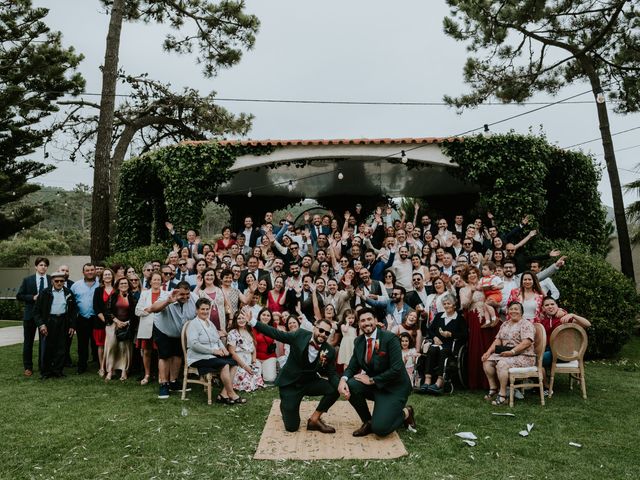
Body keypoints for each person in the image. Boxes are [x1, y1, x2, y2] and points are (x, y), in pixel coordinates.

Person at [245, 307, 341, 433]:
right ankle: (286, 405)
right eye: (321, 330)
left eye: (327, 333)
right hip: (291, 383)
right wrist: (253, 321)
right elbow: (277, 334)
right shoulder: (300, 335)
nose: (323, 334)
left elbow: (331, 373)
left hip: (309, 382)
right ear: (314, 327)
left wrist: (341, 385)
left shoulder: (329, 350)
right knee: (292, 427)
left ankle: (314, 420)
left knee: (334, 389)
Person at [338, 307, 415, 437]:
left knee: (380, 429)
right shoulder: (359, 341)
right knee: (351, 384)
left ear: (376, 320)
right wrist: (342, 380)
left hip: (394, 388)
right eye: (363, 320)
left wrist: (372, 380)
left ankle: (406, 412)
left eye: (369, 319)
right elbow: (352, 366)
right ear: (359, 324)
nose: (366, 323)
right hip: (375, 387)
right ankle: (368, 421)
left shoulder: (390, 339)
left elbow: (396, 369)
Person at [186, 298, 245, 404]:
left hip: (212, 355)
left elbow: (217, 339)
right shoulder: (193, 324)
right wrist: (213, 351)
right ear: (196, 310)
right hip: (198, 357)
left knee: (234, 363)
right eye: (202, 309)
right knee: (225, 364)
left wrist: (222, 348)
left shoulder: (210, 323)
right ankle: (231, 394)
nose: (205, 312)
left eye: (207, 309)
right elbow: (193, 345)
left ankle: (223, 394)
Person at [146, 281, 198, 399]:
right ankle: (164, 384)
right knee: (164, 356)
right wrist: (168, 301)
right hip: (164, 329)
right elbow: (153, 308)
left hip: (180, 332)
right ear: (176, 291)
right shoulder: (167, 295)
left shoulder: (194, 298)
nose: (185, 297)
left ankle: (173, 382)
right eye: (182, 294)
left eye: (187, 294)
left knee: (178, 355)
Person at [482, 301, 536, 406]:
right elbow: (498, 340)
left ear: (521, 312)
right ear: (508, 311)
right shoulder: (505, 324)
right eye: (511, 309)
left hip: (524, 356)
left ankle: (503, 396)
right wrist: (488, 352)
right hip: (507, 353)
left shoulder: (526, 324)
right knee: (487, 361)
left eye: (516, 309)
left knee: (502, 363)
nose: (513, 311)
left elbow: (527, 343)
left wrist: (512, 352)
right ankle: (493, 389)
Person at [537, 297, 591, 390]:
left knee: (537, 360)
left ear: (557, 306)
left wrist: (572, 315)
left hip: (563, 352)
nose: (550, 307)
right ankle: (539, 383)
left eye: (552, 304)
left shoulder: (564, 318)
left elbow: (588, 324)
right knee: (533, 357)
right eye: (547, 305)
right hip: (549, 350)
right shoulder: (543, 321)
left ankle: (545, 386)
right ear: (543, 308)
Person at [417, 293, 467, 394]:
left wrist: (451, 334)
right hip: (437, 343)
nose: (446, 305)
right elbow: (430, 329)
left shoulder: (459, 318)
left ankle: (440, 381)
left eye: (449, 303)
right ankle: (427, 380)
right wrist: (435, 337)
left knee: (443, 351)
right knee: (431, 349)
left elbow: (464, 335)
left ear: (454, 305)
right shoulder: (439, 316)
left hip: (451, 346)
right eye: (444, 304)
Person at [33, 271, 77, 379]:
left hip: (63, 320)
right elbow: (36, 311)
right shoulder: (45, 292)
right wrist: (41, 325)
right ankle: (46, 372)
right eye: (56, 281)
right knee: (47, 347)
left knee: (61, 347)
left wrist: (72, 325)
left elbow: (73, 311)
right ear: (52, 281)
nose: (59, 283)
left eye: (61, 281)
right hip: (49, 321)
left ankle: (58, 371)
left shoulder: (68, 292)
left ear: (64, 282)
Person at [16, 256, 50, 376]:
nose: (43, 267)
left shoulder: (51, 280)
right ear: (36, 266)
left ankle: (43, 366)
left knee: (45, 342)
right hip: (30, 316)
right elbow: (19, 295)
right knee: (28, 343)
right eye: (41, 265)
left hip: (45, 317)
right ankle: (28, 367)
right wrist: (32, 297)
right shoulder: (27, 280)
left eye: (45, 265)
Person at [70, 263, 99, 374]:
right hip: (82, 318)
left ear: (95, 271)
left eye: (92, 270)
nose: (90, 272)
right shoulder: (76, 285)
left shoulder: (100, 284)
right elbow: (71, 302)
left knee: (97, 343)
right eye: (87, 270)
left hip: (96, 318)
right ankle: (82, 366)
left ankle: (99, 365)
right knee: (82, 344)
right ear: (83, 272)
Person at [226, 311, 265, 392]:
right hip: (238, 362)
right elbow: (232, 352)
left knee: (255, 372)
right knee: (245, 380)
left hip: (250, 361)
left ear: (246, 320)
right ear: (235, 320)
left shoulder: (249, 331)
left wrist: (253, 362)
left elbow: (254, 349)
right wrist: (244, 366)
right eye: (239, 318)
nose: (241, 320)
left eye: (243, 318)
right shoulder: (232, 333)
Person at [93, 268, 115, 377]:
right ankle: (101, 367)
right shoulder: (98, 290)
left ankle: (111, 367)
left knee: (112, 345)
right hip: (100, 322)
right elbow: (96, 308)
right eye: (105, 275)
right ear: (102, 277)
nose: (107, 276)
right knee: (101, 345)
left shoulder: (116, 290)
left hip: (114, 322)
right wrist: (106, 321)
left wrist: (113, 321)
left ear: (112, 276)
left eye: (109, 274)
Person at [253, 307, 278, 384]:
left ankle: (265, 371)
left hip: (269, 356)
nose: (266, 317)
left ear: (270, 318)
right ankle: (261, 372)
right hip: (256, 357)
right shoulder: (254, 327)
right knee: (255, 379)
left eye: (268, 315)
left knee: (270, 379)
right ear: (259, 316)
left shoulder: (274, 326)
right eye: (263, 315)